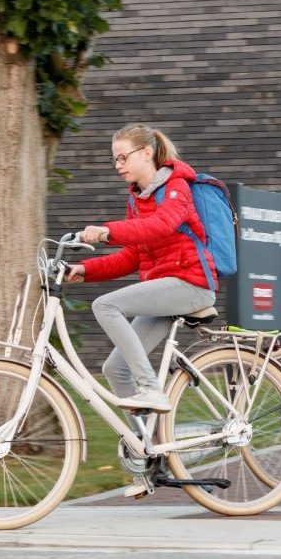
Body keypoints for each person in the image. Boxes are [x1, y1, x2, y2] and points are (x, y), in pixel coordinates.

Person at [66, 124, 217, 415]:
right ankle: (145, 441)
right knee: (115, 369)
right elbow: (132, 257)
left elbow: (161, 225)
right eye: (115, 159)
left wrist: (107, 232)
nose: (118, 165)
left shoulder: (176, 186)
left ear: (146, 152)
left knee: (105, 305)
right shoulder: (136, 200)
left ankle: (150, 388)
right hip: (165, 288)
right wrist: (83, 269)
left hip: (191, 284)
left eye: (124, 157)